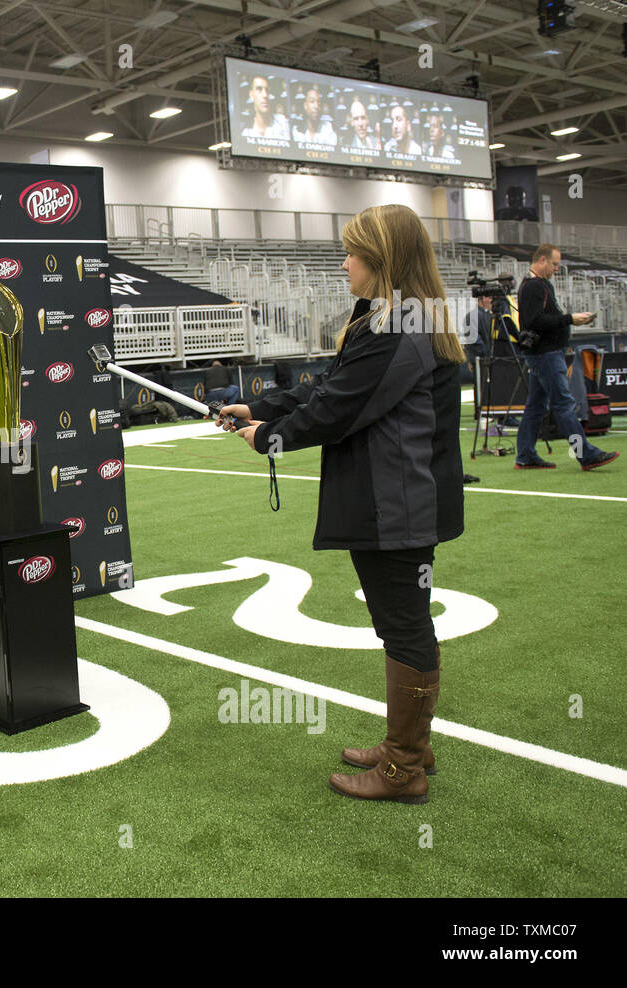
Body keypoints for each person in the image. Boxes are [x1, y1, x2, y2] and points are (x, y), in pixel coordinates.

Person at [217, 203, 465, 804]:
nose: (344, 262)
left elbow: (338, 409)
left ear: (382, 262)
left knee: (404, 626)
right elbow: (333, 385)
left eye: (353, 252)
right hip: (396, 499)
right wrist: (265, 408)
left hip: (398, 503)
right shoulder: (396, 318)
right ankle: (411, 744)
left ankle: (404, 767)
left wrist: (271, 438)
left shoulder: (398, 326)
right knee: (400, 623)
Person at [513, 244, 618, 471]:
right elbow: (534, 321)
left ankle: (525, 455)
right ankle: (586, 455)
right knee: (563, 405)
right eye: (554, 264)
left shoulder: (539, 285)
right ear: (541, 260)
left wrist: (570, 320)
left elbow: (540, 319)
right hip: (545, 354)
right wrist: (569, 319)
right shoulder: (533, 287)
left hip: (545, 353)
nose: (556, 268)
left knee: (536, 406)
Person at [241, 75, 291, 140]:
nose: (265, 95)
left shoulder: (282, 122)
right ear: (251, 95)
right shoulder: (245, 131)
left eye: (267, 90)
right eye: (259, 89)